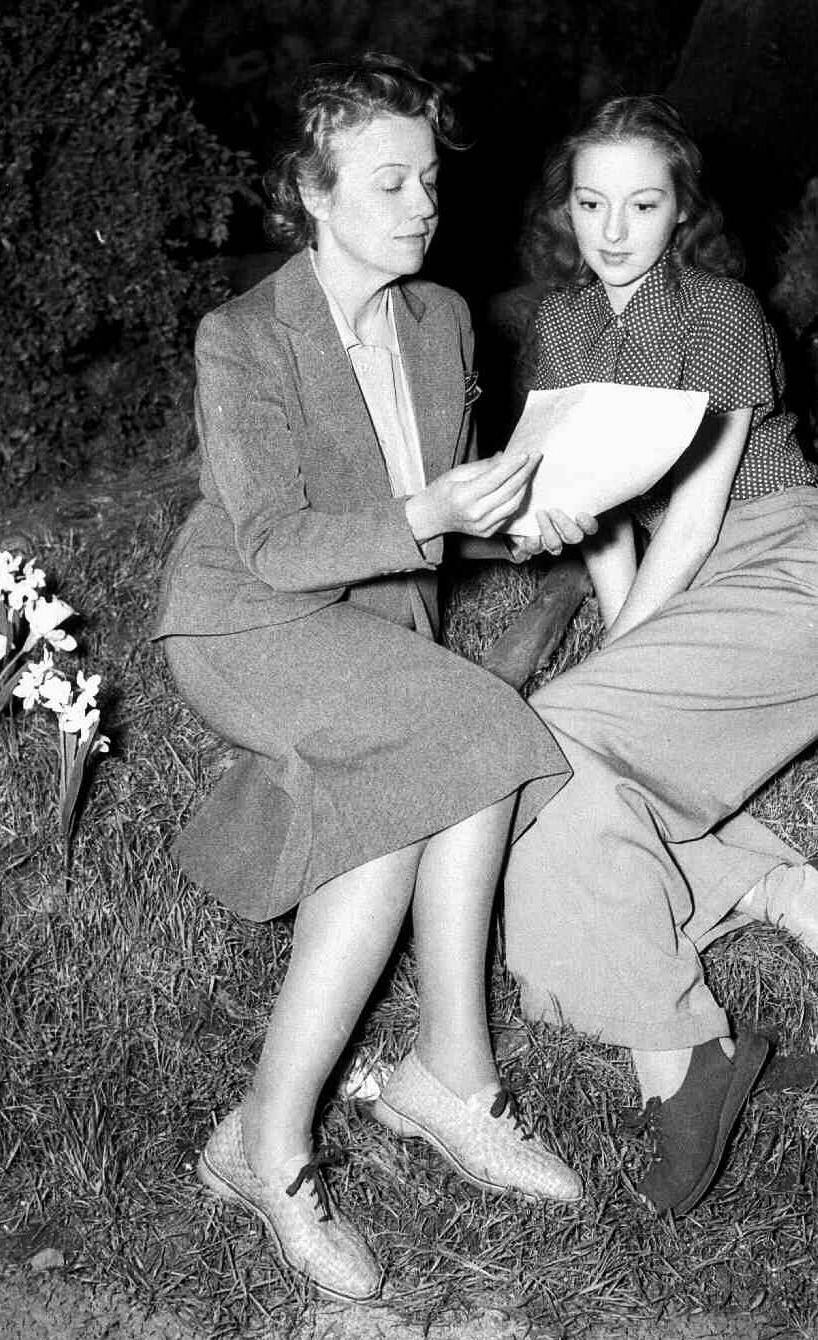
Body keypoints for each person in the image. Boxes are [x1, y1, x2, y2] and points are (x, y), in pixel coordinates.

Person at [152, 55, 596, 1302]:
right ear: (313, 191)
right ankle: (334, 1121)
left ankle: (316, 1122)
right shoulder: (242, 337)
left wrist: (522, 523)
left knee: (430, 772)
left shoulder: (442, 319)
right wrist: (425, 506)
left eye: (428, 180)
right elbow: (273, 541)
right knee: (469, 728)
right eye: (388, 182)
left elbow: (438, 522)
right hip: (245, 622)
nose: (419, 204)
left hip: (367, 632)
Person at [503, 95, 818, 1219]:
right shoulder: (561, 330)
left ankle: (683, 1055)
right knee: (547, 773)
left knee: (548, 742)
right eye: (590, 202)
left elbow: (686, 512)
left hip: (789, 576)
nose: (613, 227)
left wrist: (611, 659)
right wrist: (611, 635)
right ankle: (802, 899)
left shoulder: (722, 311)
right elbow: (594, 516)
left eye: (641, 202)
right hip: (687, 589)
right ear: (565, 209)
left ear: (680, 207)